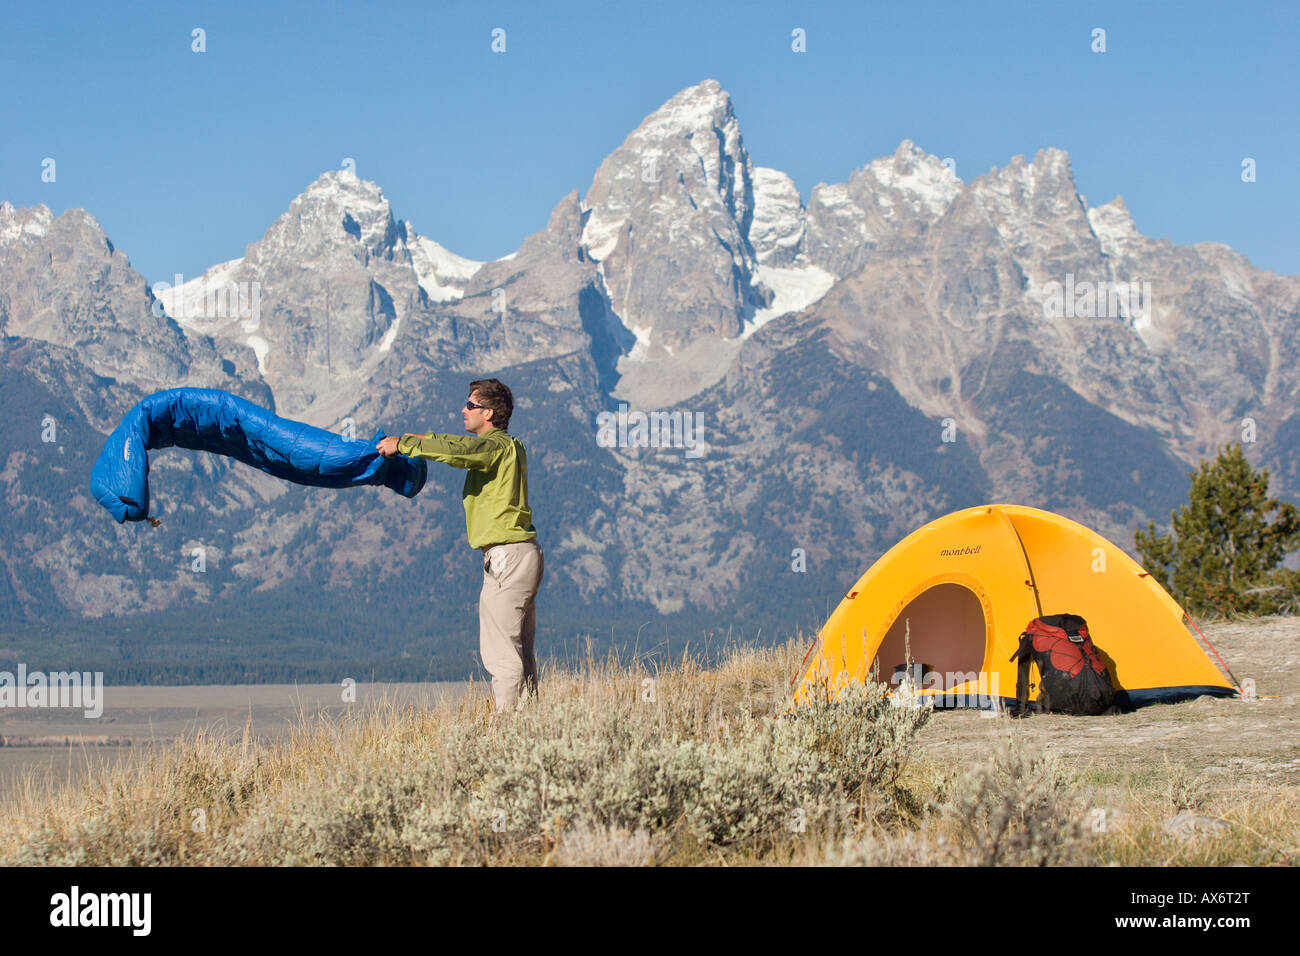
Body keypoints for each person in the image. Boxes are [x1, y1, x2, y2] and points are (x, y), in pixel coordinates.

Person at [376, 379, 543, 713]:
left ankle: (507, 728)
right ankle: (531, 725)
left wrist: (406, 445)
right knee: (520, 648)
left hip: (507, 556)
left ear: (490, 413)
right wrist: (419, 438)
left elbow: (461, 451)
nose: (463, 410)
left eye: (471, 405)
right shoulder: (507, 446)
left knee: (500, 650)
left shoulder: (495, 448)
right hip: (521, 554)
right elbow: (457, 443)